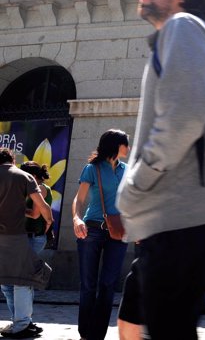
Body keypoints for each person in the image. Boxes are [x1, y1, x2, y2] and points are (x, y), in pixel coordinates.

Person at [116, 0, 205, 340]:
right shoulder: (188, 34)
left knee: (170, 328)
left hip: (181, 210)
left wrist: (138, 184)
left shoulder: (183, 27)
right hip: (186, 210)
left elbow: (184, 118)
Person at [72, 129, 129, 340]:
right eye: (126, 144)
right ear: (115, 145)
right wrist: (77, 218)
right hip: (92, 230)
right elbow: (79, 200)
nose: (129, 148)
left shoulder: (128, 170)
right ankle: (85, 333)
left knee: (108, 285)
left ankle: (97, 334)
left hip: (119, 231)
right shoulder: (92, 169)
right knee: (88, 285)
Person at [0, 149, 53, 339]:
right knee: (21, 280)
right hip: (15, 236)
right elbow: (42, 206)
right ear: (12, 160)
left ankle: (20, 322)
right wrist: (48, 220)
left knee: (6, 280)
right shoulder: (24, 177)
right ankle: (22, 324)